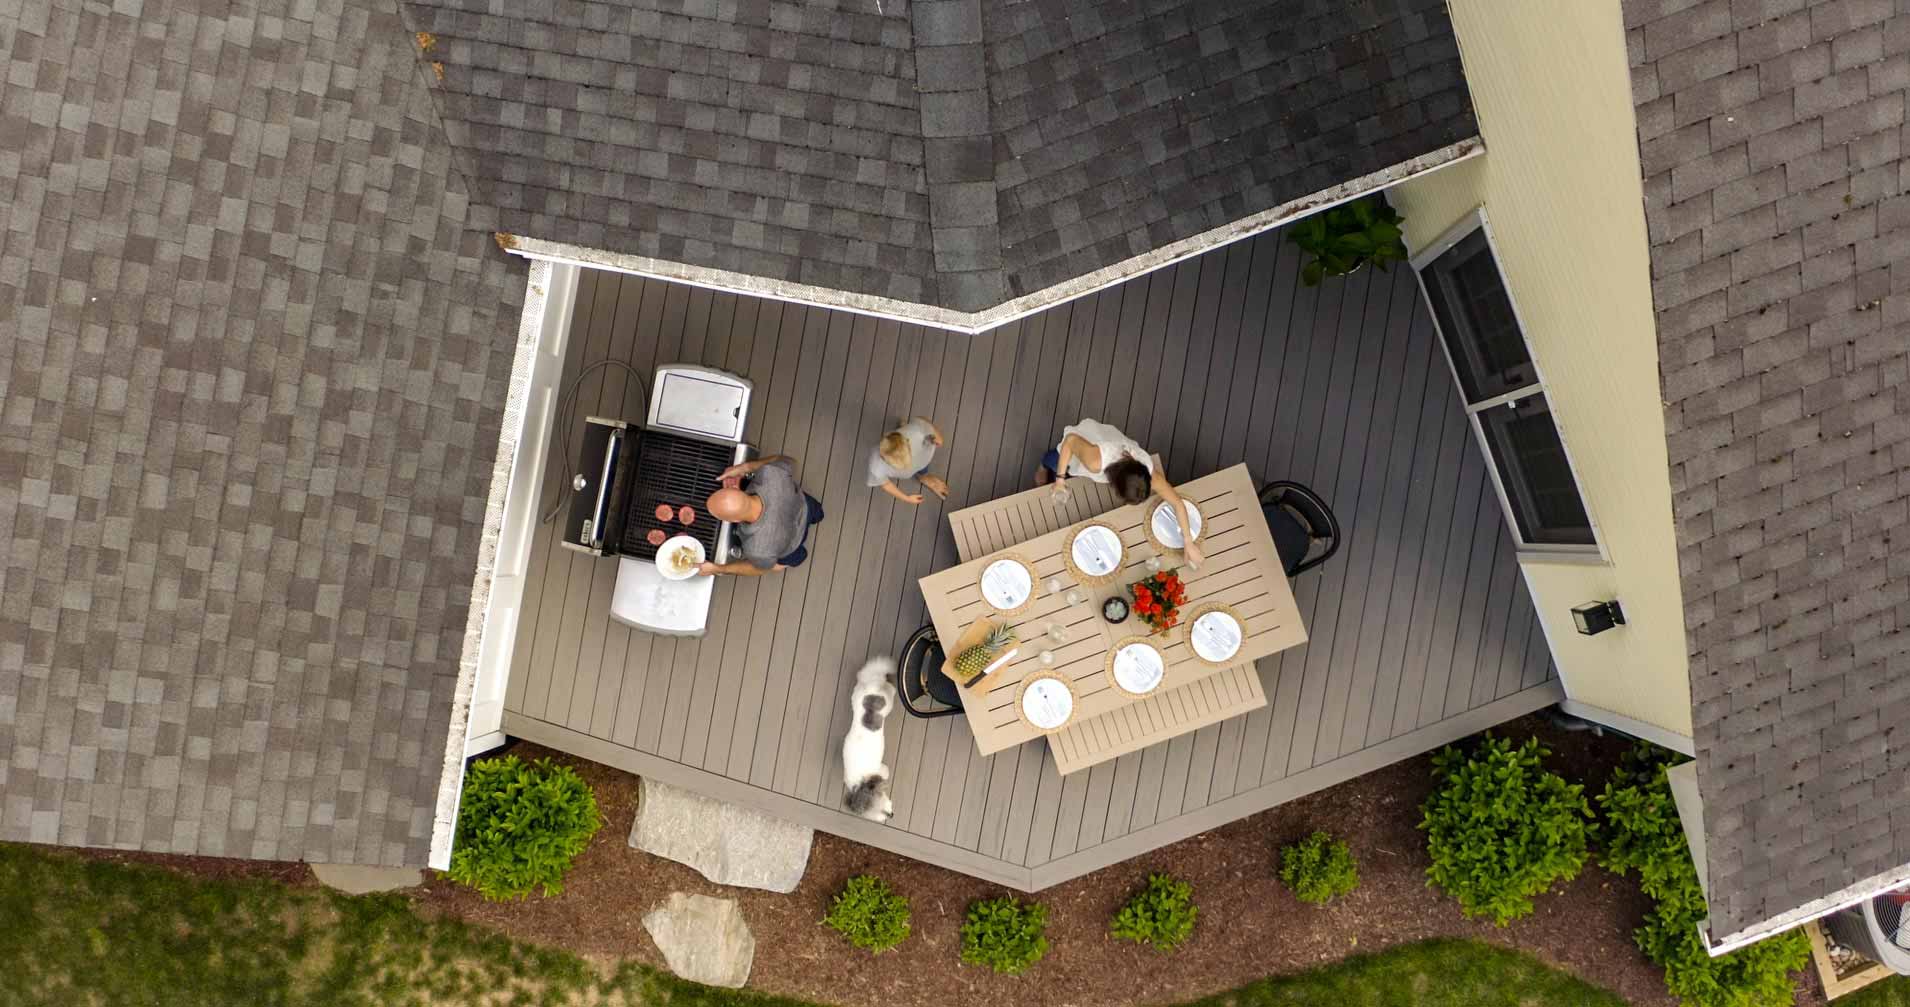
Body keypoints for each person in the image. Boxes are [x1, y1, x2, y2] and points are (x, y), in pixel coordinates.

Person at [1036, 419, 1204, 565]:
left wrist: (1188, 542)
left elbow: (1177, 503)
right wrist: (1059, 480)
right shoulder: (1094, 462)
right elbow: (1071, 441)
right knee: (1053, 459)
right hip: (1081, 446)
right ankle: (1042, 467)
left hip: (1109, 442)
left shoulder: (1146, 472)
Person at [698, 454, 822, 576]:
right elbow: (789, 460)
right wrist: (745, 468)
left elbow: (760, 569)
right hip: (803, 505)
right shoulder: (770, 473)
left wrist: (718, 568)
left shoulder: (757, 549)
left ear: (735, 520)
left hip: (792, 545)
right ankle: (818, 515)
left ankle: (799, 556)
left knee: (778, 564)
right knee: (817, 512)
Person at [866, 417, 950, 505]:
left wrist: (936, 435)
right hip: (918, 455)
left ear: (907, 441)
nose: (909, 466)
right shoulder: (876, 467)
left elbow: (923, 422)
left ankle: (924, 476)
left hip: (922, 455)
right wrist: (907, 498)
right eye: (902, 466)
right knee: (918, 467)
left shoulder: (916, 431)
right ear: (885, 461)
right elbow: (886, 484)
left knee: (922, 466)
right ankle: (923, 477)